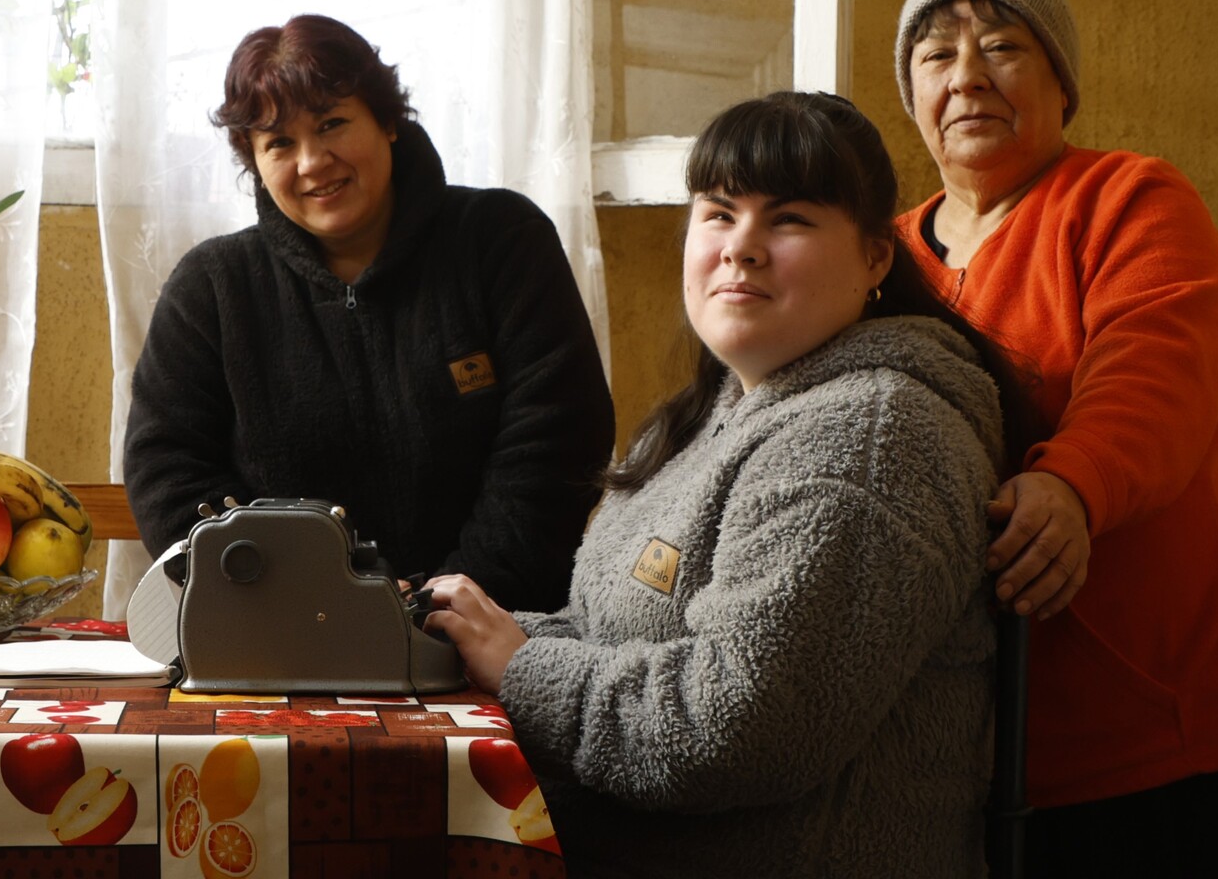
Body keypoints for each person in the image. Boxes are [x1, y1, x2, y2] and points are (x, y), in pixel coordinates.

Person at [426, 92, 1023, 878]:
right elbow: (613, 634)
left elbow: (728, 734)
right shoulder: (706, 416)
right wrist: (458, 636)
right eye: (718, 212)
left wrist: (520, 666)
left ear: (876, 258)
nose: (741, 248)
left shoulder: (873, 438)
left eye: (790, 219)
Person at [891, 0, 1218, 876]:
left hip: (1147, 738)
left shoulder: (1131, 199)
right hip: (950, 749)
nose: (969, 74)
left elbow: (1157, 374)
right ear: (913, 98)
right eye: (938, 56)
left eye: (1004, 46)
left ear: (1061, 83)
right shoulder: (884, 255)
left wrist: (1072, 484)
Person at [123, 14, 614, 611]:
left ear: (387, 122)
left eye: (332, 123)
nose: (312, 161)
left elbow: (558, 439)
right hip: (284, 633)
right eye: (279, 142)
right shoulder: (211, 288)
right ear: (252, 160)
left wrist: (443, 601)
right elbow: (167, 469)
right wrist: (302, 599)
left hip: (498, 627)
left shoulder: (502, 241)